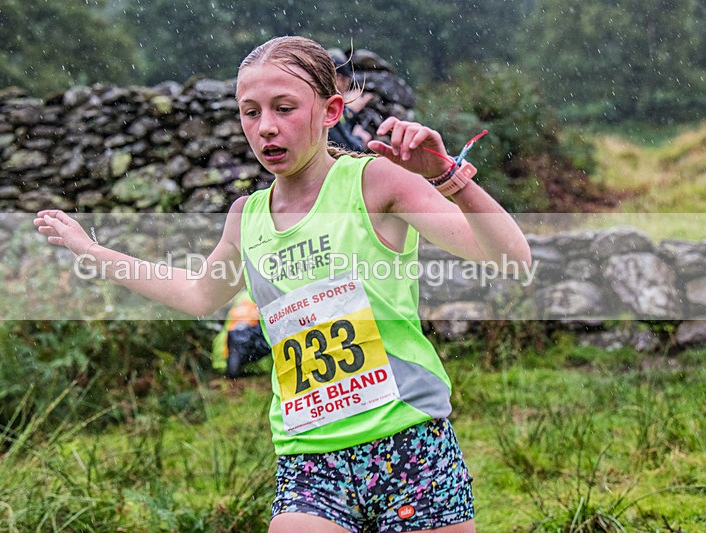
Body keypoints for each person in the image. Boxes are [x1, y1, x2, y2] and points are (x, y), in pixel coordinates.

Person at [35, 35, 531, 533]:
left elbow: (512, 259)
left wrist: (448, 176)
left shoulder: (376, 182)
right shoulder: (245, 218)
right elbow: (197, 294)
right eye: (250, 112)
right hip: (310, 460)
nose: (266, 126)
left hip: (410, 445)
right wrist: (94, 254)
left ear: (330, 109)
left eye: (285, 107)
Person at [212, 289, 271, 378]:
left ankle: (231, 367)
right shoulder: (260, 294)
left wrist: (220, 363)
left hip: (233, 335)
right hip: (252, 335)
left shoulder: (239, 297)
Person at [327, 54, 373, 152]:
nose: (347, 88)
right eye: (348, 82)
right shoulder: (329, 106)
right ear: (338, 79)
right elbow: (345, 148)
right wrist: (360, 139)